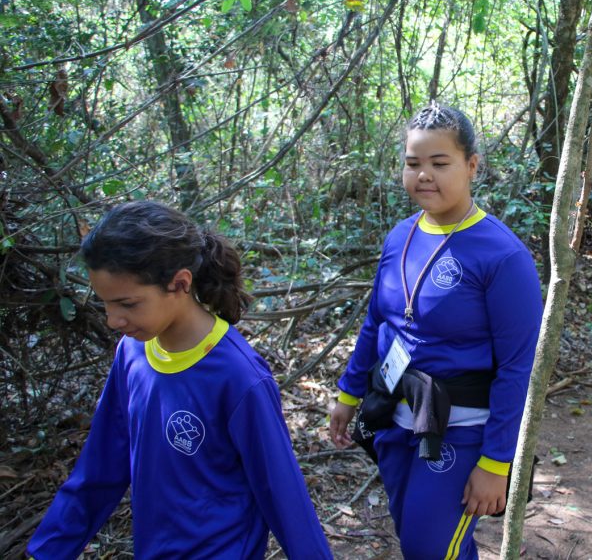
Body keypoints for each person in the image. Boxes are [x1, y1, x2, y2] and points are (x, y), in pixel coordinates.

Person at [27, 201, 332, 560]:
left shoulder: (238, 376)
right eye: (105, 303)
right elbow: (101, 465)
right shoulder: (133, 354)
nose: (112, 320)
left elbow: (282, 494)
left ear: (180, 283)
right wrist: (49, 549)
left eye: (127, 304)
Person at [329, 103, 542, 559]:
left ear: (471, 166)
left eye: (439, 163)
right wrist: (349, 395)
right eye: (413, 163)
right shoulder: (400, 236)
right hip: (395, 417)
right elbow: (376, 323)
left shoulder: (502, 256)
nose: (424, 175)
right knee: (424, 541)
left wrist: (496, 462)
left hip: (462, 430)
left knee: (428, 547)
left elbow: (517, 368)